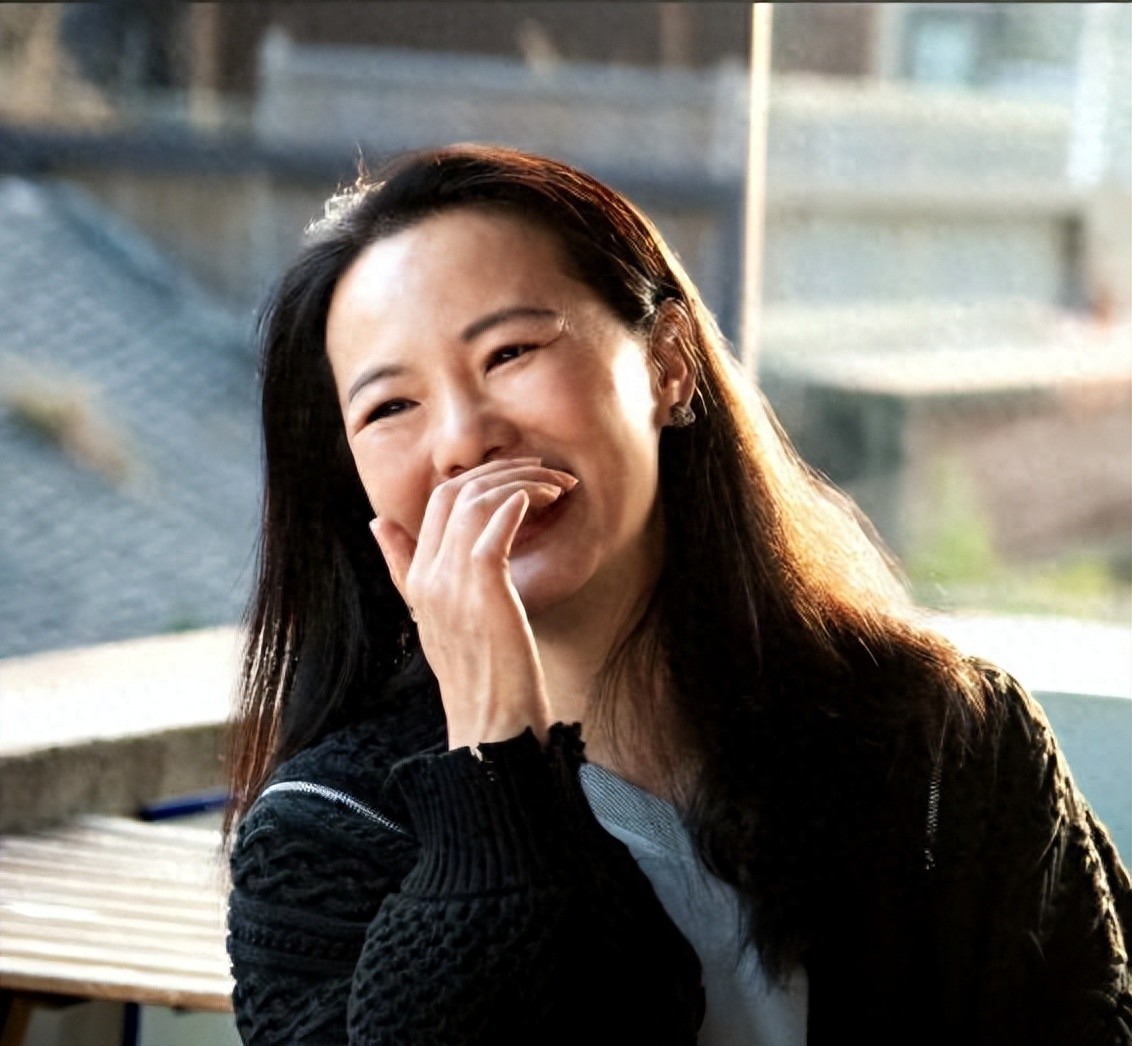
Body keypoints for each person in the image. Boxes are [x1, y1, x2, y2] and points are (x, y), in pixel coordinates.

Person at [224, 143, 1131, 1045]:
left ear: (669, 363)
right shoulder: (325, 833)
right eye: (390, 407)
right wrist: (491, 768)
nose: (464, 439)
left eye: (510, 352)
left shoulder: (950, 738)